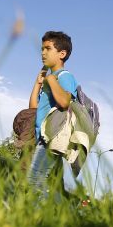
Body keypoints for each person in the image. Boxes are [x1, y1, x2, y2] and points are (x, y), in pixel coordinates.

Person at [27, 31, 78, 197]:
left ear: (62, 54)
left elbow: (64, 102)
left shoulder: (64, 76)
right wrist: (38, 83)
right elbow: (33, 108)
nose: (43, 53)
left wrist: (50, 80)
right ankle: (59, 219)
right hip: (42, 136)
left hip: (51, 137)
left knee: (34, 181)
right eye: (42, 49)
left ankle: (38, 221)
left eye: (48, 48)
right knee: (53, 187)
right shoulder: (51, 79)